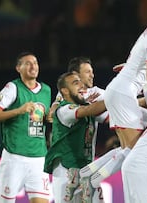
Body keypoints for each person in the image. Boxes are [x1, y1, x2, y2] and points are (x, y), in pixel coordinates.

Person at [78, 2, 147, 201]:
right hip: (123, 95)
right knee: (135, 152)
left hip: (120, 92)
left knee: (141, 138)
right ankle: (89, 181)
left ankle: (85, 175)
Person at [0, 52, 51, 203]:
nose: (33, 66)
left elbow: (41, 118)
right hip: (14, 157)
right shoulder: (12, 88)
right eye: (28, 63)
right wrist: (19, 110)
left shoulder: (47, 90)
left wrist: (48, 118)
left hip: (39, 158)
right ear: (18, 68)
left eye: (36, 62)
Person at [43, 72, 107, 203]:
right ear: (65, 91)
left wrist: (141, 101)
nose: (82, 85)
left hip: (86, 171)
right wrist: (115, 97)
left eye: (80, 82)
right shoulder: (64, 110)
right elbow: (90, 110)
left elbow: (113, 116)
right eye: (75, 83)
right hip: (66, 172)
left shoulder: (87, 107)